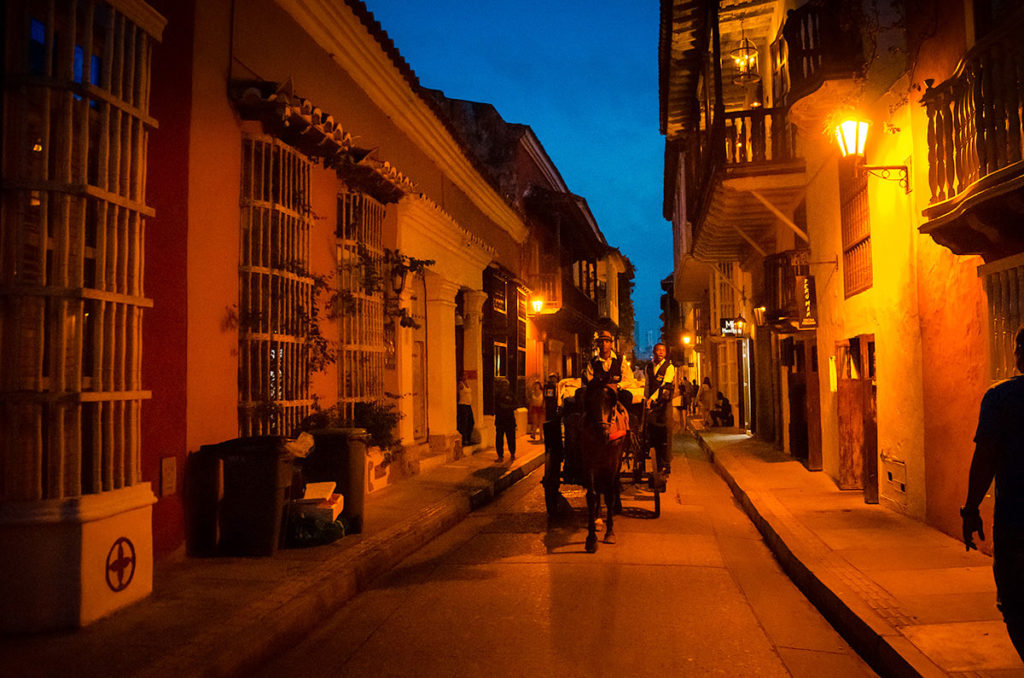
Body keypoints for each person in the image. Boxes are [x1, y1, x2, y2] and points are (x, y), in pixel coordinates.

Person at [962, 326, 1024, 660]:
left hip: (1017, 523)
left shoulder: (1000, 399)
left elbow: (985, 458)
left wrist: (971, 509)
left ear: (1018, 355)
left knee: (1015, 604)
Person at [644, 342, 676, 474]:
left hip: (664, 403)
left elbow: (665, 385)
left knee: (666, 430)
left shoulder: (669, 367)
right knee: (647, 427)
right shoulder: (649, 367)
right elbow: (647, 385)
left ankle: (666, 462)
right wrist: (646, 399)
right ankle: (648, 451)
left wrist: (652, 398)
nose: (661, 352)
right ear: (654, 352)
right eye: (658, 350)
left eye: (663, 350)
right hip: (651, 403)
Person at [493, 377, 516, 462]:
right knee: (499, 438)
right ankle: (500, 455)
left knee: (511, 438)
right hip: (500, 420)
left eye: (505, 385)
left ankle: (512, 453)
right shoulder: (497, 395)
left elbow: (516, 405)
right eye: (502, 385)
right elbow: (495, 406)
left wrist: (508, 407)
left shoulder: (511, 395)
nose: (504, 387)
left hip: (509, 420)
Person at [457, 374, 474, 446]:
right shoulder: (461, 384)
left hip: (468, 405)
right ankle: (464, 439)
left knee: (471, 422)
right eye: (464, 375)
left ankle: (468, 437)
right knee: (464, 422)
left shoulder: (467, 384)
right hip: (463, 405)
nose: (466, 376)